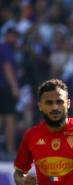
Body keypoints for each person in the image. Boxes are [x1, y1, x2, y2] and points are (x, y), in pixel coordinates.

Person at [1, 28, 19, 156]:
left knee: (2, 118)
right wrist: (14, 87)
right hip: (6, 87)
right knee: (10, 118)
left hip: (2, 87)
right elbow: (7, 68)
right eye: (13, 36)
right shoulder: (6, 48)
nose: (15, 39)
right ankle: (10, 149)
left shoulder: (6, 49)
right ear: (7, 36)